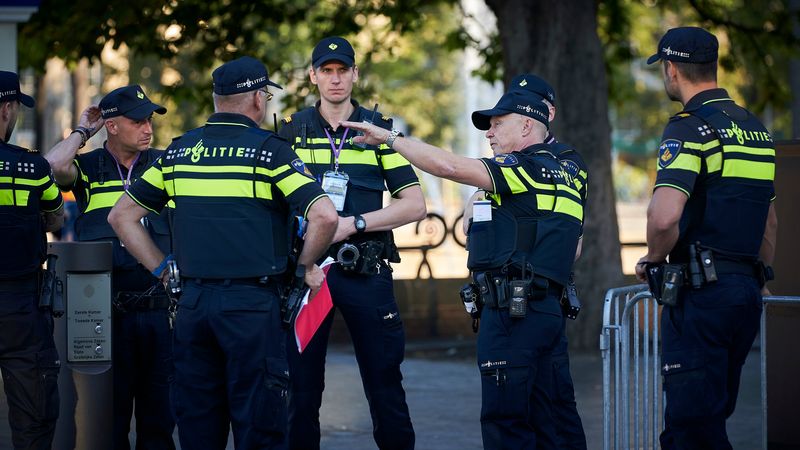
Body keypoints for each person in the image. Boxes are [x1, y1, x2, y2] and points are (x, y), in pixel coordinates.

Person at [108, 56, 338, 450]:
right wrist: (301, 271)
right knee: (260, 428)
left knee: (198, 428)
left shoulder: (178, 153)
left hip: (192, 307)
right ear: (255, 100)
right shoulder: (271, 153)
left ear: (217, 101)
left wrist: (164, 271)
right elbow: (325, 216)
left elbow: (122, 217)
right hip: (252, 307)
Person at [344, 88, 584, 449]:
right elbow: (574, 248)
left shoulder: (524, 168)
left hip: (512, 316)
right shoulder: (570, 173)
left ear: (526, 127)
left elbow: (449, 166)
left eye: (497, 124)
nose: (488, 133)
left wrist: (390, 138)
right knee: (554, 422)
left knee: (507, 425)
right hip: (547, 311)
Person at [277, 36, 426, 450]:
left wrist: (352, 224)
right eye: (327, 71)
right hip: (308, 277)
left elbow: (414, 205)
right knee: (300, 390)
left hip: (365, 272)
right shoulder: (291, 133)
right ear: (313, 76)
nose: (336, 79)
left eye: (343, 70)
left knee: (385, 386)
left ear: (355, 75)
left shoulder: (379, 133)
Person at [636, 26, 777, 450]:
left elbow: (664, 218)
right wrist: (762, 279)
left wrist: (652, 258)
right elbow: (769, 222)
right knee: (713, 419)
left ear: (672, 68)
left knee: (690, 429)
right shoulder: (755, 131)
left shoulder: (689, 128)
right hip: (744, 293)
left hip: (701, 296)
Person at [46, 85, 176, 449]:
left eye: (150, 119)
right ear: (113, 126)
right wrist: (83, 131)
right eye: (138, 121)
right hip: (105, 310)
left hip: (158, 311)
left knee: (160, 423)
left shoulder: (164, 163)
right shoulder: (87, 168)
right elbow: (54, 166)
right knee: (108, 422)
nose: (148, 128)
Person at [508, 73, 588, 450]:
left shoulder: (567, 161)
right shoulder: (505, 160)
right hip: (512, 297)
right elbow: (469, 225)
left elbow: (573, 242)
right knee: (530, 406)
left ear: (546, 112)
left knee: (554, 405)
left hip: (541, 292)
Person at [0, 70, 64, 450]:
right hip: (20, 306)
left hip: (21, 302)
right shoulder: (32, 168)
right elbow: (55, 217)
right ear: (7, 109)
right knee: (33, 415)